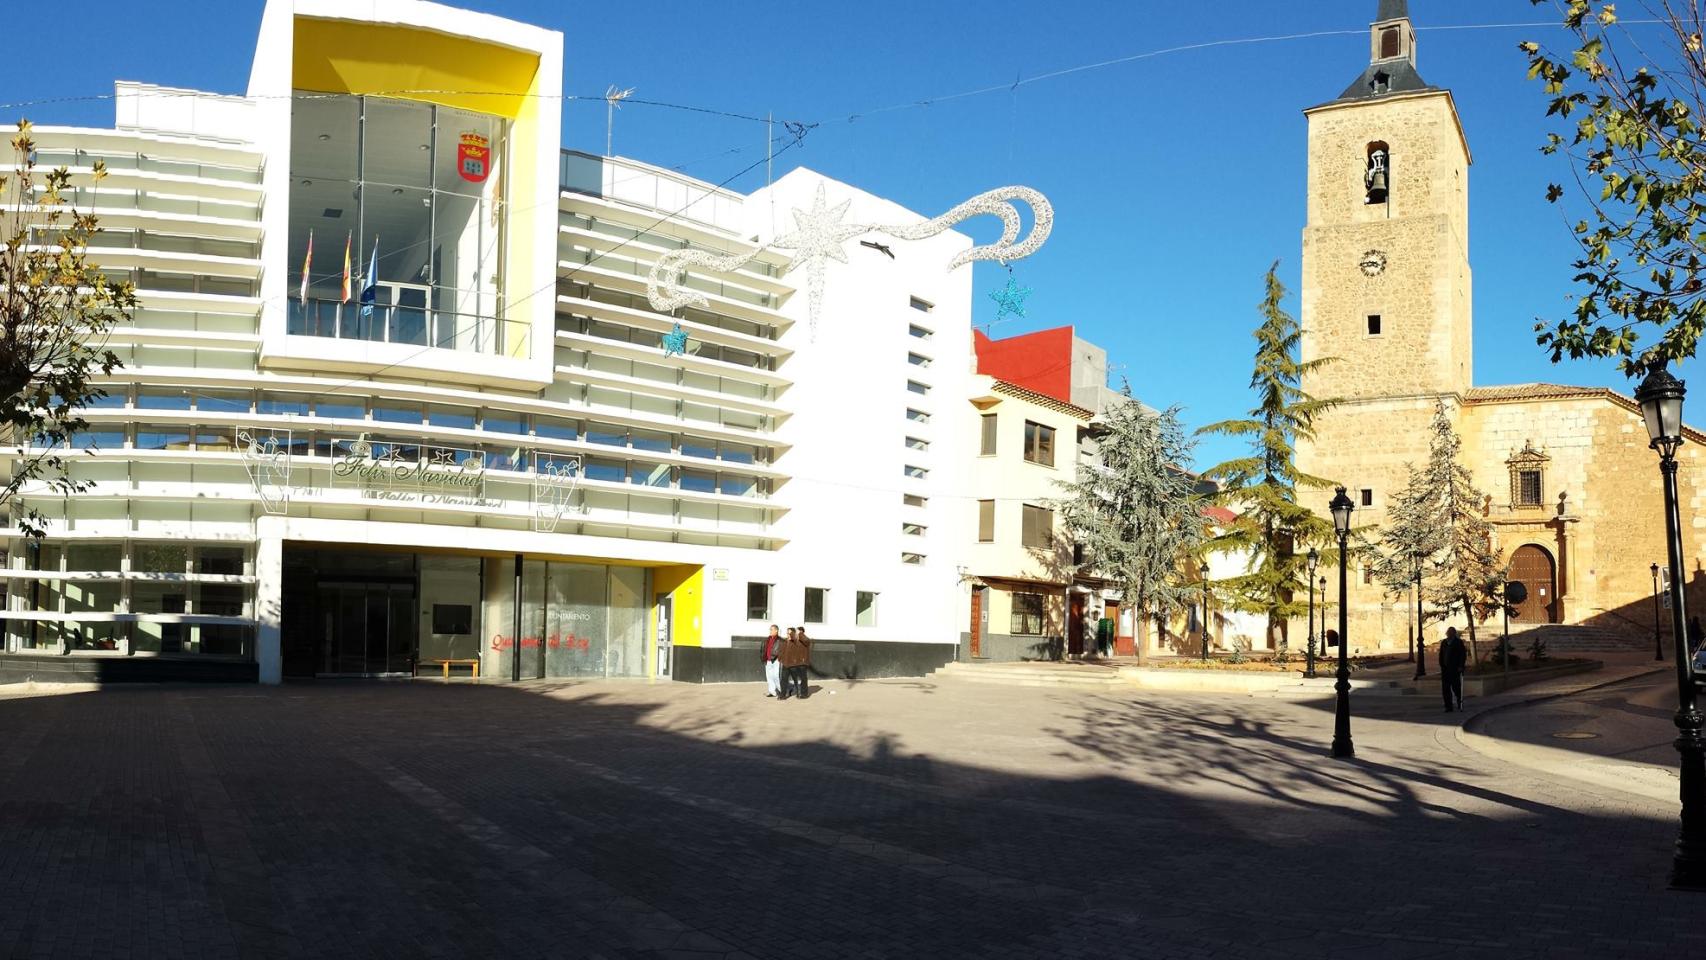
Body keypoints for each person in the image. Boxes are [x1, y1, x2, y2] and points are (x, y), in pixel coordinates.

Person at [1439, 625, 1468, 712]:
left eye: (1451, 632)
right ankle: (1448, 706)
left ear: (1454, 633)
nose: (1449, 634)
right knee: (1446, 688)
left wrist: (1461, 666)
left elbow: (1462, 655)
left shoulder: (1458, 642)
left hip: (1455, 669)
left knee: (1456, 687)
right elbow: (1441, 655)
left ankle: (1460, 702)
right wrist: (1441, 665)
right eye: (1448, 632)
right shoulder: (1444, 642)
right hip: (1445, 669)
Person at [789, 625, 813, 700]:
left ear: (801, 632)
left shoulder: (804, 639)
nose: (796, 633)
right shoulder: (797, 640)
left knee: (803, 678)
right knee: (798, 678)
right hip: (797, 661)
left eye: (797, 632)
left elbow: (806, 641)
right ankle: (799, 692)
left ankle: (804, 694)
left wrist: (800, 634)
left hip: (802, 662)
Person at [761, 624, 783, 699]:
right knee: (769, 676)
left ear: (776, 630)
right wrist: (763, 657)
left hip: (776, 660)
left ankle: (781, 691)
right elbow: (764, 648)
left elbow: (781, 650)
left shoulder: (780, 640)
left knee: (776, 676)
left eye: (771, 629)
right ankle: (772, 692)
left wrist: (778, 657)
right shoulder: (767, 639)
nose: (770, 631)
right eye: (770, 629)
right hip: (768, 660)